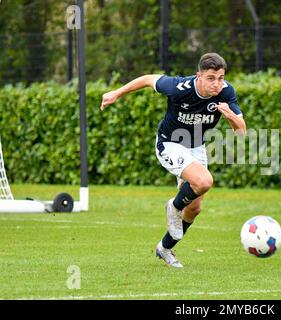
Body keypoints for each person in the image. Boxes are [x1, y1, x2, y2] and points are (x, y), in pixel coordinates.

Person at [100, 53, 246, 268]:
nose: (217, 83)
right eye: (211, 78)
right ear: (199, 76)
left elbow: (241, 131)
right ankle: (173, 206)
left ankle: (165, 248)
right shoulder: (179, 87)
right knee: (204, 182)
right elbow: (148, 79)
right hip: (170, 143)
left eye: (221, 77)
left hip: (196, 147)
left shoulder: (226, 92)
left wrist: (230, 116)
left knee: (194, 209)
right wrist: (117, 93)